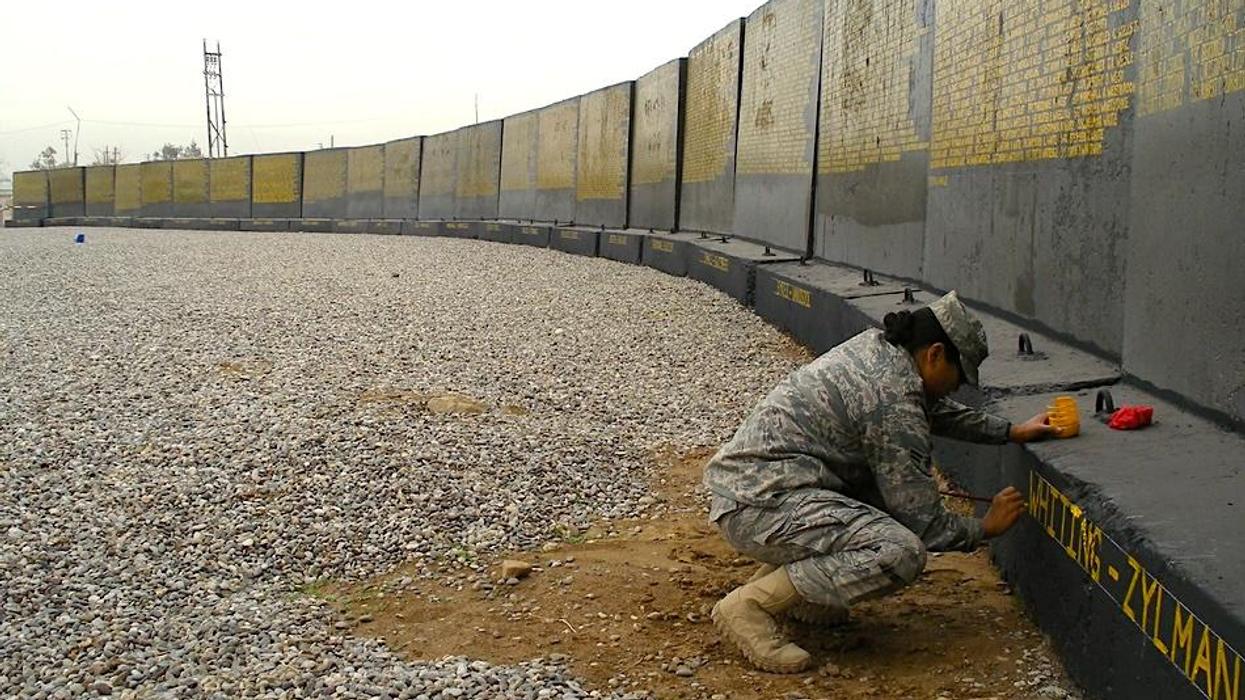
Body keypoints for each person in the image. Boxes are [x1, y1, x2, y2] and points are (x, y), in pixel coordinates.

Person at [704, 291, 1057, 673]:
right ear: (935, 354)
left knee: (877, 499)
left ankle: (803, 596)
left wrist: (1010, 431)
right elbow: (924, 521)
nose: (959, 387)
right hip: (759, 506)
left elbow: (932, 411)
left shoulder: (884, 355)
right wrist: (983, 528)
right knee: (899, 551)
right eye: (960, 375)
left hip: (760, 491)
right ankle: (749, 606)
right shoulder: (891, 397)